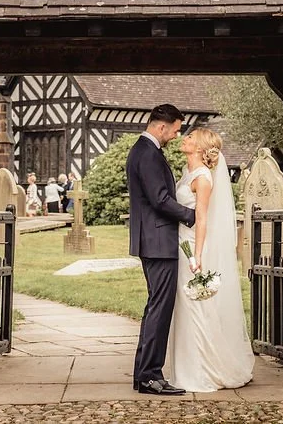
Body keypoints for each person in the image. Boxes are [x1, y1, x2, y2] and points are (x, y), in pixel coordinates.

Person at [163, 127, 254, 392]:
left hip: (192, 245)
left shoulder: (203, 178)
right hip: (180, 242)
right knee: (183, 305)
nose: (185, 138)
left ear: (201, 147)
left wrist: (198, 256)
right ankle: (184, 369)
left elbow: (202, 218)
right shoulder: (187, 172)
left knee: (194, 305)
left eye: (190, 137)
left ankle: (201, 370)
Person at [126, 104, 196, 396]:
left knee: (156, 306)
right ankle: (150, 376)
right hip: (158, 243)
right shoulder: (148, 153)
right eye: (176, 129)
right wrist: (192, 216)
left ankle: (144, 374)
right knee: (159, 308)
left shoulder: (144, 151)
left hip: (154, 241)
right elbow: (160, 199)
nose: (176, 135)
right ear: (161, 126)